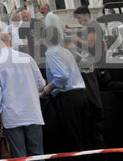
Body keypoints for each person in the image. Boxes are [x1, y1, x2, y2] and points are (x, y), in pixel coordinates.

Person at [0, 33, 45, 158]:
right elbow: (41, 83)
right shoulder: (28, 58)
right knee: (37, 154)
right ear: (10, 42)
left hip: (12, 115)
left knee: (20, 155)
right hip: (32, 112)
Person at [40, 26, 88, 156]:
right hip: (80, 96)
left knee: (73, 140)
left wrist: (46, 89)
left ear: (45, 39)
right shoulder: (65, 51)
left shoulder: (51, 52)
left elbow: (62, 76)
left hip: (68, 98)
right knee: (81, 137)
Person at [71, 6, 107, 158]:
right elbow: (104, 46)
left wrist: (75, 39)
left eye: (79, 18)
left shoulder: (92, 26)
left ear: (86, 15)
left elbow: (91, 45)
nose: (78, 21)